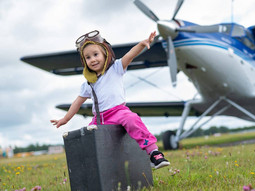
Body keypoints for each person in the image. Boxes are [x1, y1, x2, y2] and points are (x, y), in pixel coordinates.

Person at [51, 30, 170, 169]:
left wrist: (142, 44)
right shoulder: (88, 84)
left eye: (96, 54)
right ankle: (91, 168)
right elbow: (77, 103)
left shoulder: (116, 69)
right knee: (88, 135)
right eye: (88, 57)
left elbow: (130, 55)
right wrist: (65, 119)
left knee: (132, 119)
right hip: (99, 119)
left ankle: (154, 153)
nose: (93, 59)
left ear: (105, 54)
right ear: (85, 61)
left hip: (119, 112)